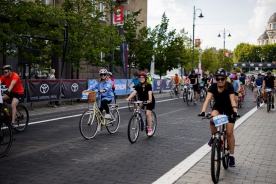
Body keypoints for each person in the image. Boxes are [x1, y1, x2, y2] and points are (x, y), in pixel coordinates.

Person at [198, 68, 238, 167]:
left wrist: (235, 112)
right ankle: (213, 136)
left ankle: (231, 156)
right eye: (218, 79)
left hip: (229, 109)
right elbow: (207, 99)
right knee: (212, 118)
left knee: (229, 133)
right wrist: (203, 111)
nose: (220, 81)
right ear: (215, 79)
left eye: (222, 79)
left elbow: (233, 100)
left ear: (226, 79)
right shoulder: (213, 86)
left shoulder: (230, 86)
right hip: (218, 108)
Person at [126, 72, 155, 136]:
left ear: (145, 78)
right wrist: (128, 98)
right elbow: (134, 92)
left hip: (149, 101)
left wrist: (149, 100)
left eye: (143, 77)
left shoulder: (148, 85)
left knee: (147, 114)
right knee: (136, 104)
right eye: (140, 77)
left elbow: (150, 93)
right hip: (141, 100)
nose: (141, 78)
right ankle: (138, 117)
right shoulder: (138, 85)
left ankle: (150, 129)